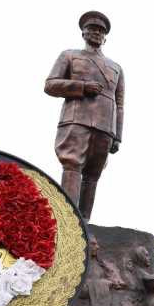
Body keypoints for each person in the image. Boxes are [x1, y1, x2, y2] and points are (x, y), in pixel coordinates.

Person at [45, 11, 125, 220]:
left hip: (105, 127)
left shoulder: (116, 68)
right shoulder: (69, 56)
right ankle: (68, 220)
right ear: (83, 32)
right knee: (72, 166)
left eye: (100, 30)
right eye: (92, 28)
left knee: (93, 176)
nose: (96, 32)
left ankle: (85, 223)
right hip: (76, 120)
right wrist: (82, 86)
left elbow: (120, 104)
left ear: (105, 37)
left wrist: (117, 136)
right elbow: (50, 85)